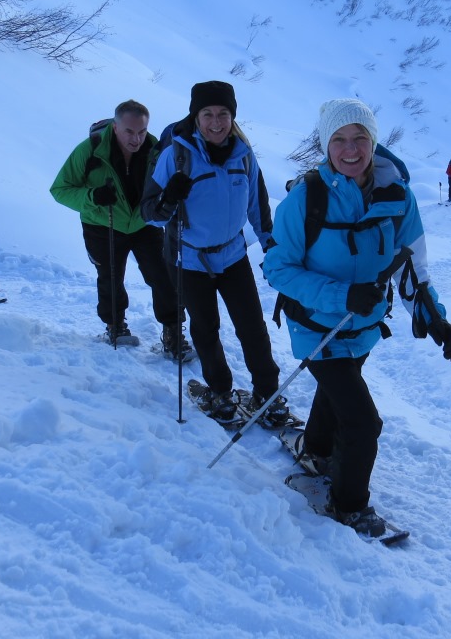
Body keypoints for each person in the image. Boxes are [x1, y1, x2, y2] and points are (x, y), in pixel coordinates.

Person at [263, 98, 451, 538]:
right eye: (339, 139)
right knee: (362, 422)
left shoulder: (398, 196)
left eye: (359, 138)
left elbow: (412, 268)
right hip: (316, 327)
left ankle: (317, 451)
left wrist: (435, 320)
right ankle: (349, 506)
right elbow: (277, 268)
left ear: (374, 141)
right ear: (325, 145)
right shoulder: (305, 198)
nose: (350, 149)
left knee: (337, 391)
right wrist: (342, 295)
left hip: (364, 328)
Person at [141, 80, 290, 427]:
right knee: (205, 329)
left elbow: (257, 206)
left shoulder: (244, 154)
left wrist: (270, 244)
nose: (216, 122)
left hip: (234, 256)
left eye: (223, 113)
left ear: (232, 116)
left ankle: (267, 394)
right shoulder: (176, 156)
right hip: (190, 259)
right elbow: (150, 213)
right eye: (207, 114)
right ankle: (221, 392)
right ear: (196, 116)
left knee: (253, 328)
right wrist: (168, 198)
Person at [50, 99, 189, 356]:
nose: (136, 139)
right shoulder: (90, 150)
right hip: (102, 224)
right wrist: (92, 197)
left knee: (163, 276)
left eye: (142, 131)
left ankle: (172, 330)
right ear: (115, 127)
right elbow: (60, 189)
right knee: (110, 277)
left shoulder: (156, 151)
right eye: (129, 131)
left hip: (144, 223)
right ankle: (115, 325)